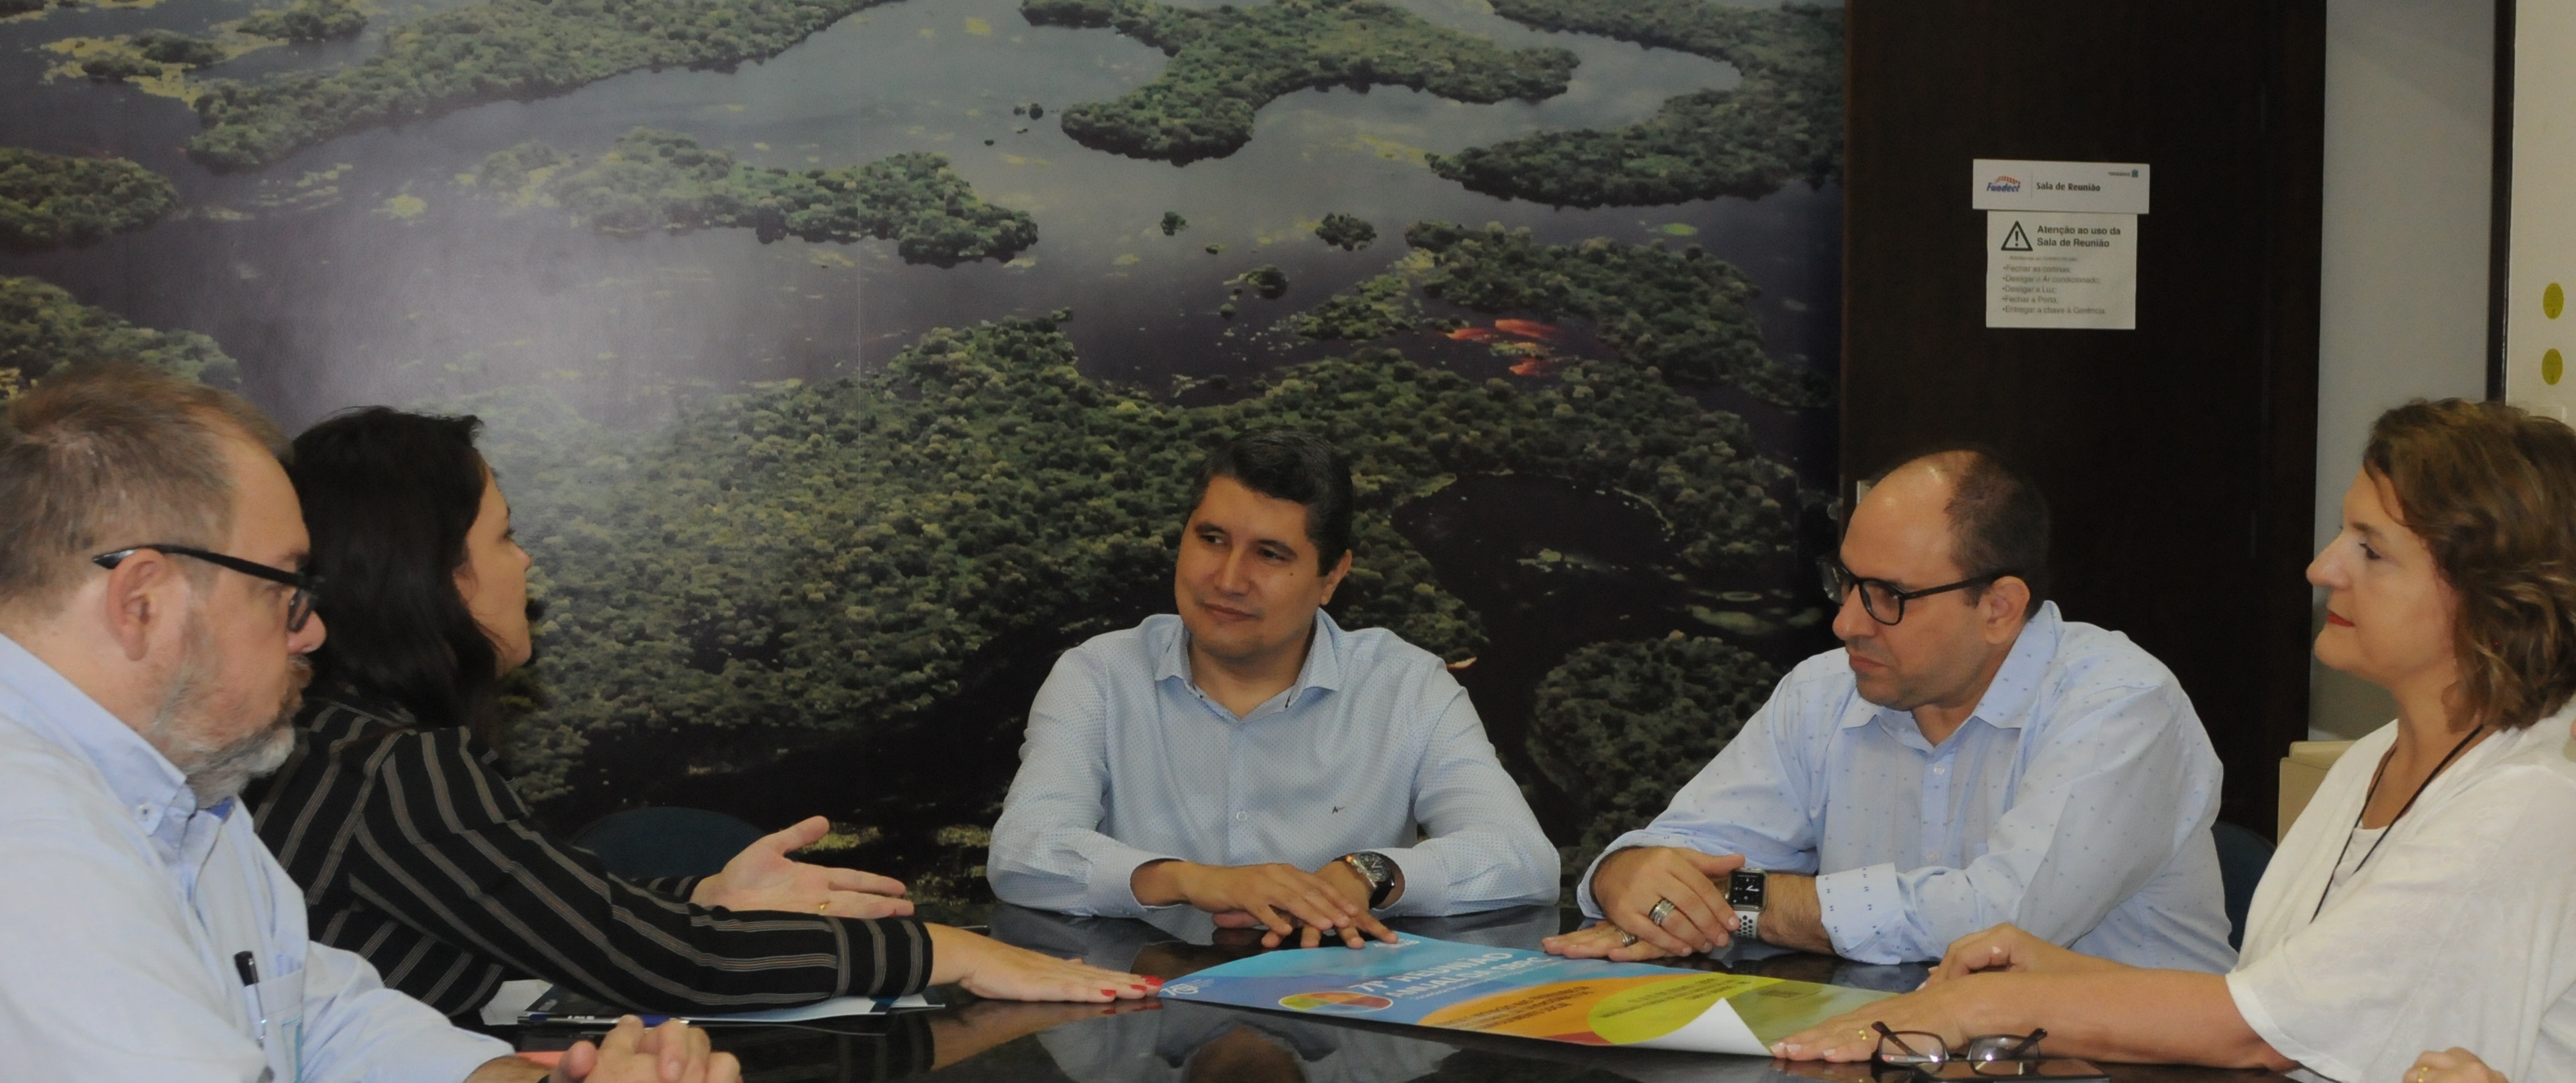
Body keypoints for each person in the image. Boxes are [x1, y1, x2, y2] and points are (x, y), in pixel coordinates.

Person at [248, 407, 1155, 1019]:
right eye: (504, 536)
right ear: (433, 578)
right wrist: (940, 951)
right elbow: (644, 957)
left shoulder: (332, 743)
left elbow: (542, 908)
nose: (525, 563)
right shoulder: (396, 773)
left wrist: (707, 896)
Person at [1771, 400, 2576, 1082]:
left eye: (2370, 549)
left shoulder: (2523, 805)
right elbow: (2275, 1001)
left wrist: (1982, 1005)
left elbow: (2264, 1035)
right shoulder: (2374, 759)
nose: (2322, 567)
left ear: (2487, 596)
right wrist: (2049, 968)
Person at [0, 363, 737, 1082]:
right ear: (143, 604)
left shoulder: (189, 804)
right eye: (283, 589)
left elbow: (326, 1021)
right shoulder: (32, 843)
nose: (311, 631)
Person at [1544, 447, 2234, 971]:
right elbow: (1686, 850)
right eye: (1846, 582)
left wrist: (1741, 900)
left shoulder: (2119, 703)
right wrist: (1624, 873)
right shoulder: (1824, 691)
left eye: (1887, 596)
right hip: (1898, 1048)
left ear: (1999, 608)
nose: (1847, 622)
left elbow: (2000, 921)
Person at [987, 429, 1558, 947]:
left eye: (1268, 554)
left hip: (1341, 1011)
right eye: (1212, 538)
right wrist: (1189, 880)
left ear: (1331, 576)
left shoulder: (1406, 686)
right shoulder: (1100, 675)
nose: (1228, 579)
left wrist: (1369, 872)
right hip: (1143, 1008)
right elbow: (1023, 851)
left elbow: (1523, 858)